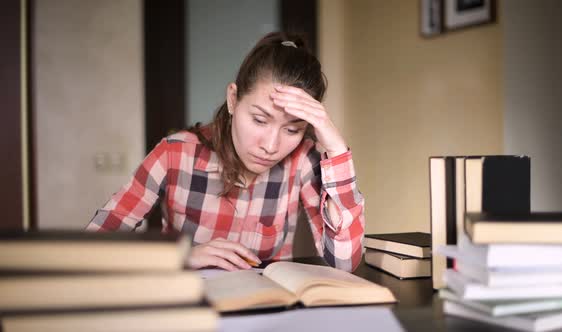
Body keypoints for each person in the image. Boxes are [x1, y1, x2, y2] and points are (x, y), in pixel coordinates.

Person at [87, 32, 365, 272]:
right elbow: (92, 247)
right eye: (259, 119)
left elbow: (344, 263)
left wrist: (336, 150)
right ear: (233, 99)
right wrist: (180, 258)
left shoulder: (302, 160)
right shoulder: (175, 153)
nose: (270, 146)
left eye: (292, 130)